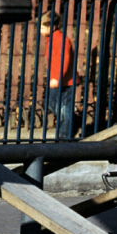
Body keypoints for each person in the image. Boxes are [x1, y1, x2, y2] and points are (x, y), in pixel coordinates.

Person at [40, 10, 78, 139]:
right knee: (52, 104)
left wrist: (57, 77)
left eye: (42, 27)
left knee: (64, 108)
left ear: (52, 26)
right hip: (57, 79)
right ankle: (72, 122)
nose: (40, 30)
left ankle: (64, 135)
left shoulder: (61, 39)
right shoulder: (51, 39)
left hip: (66, 81)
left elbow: (64, 60)